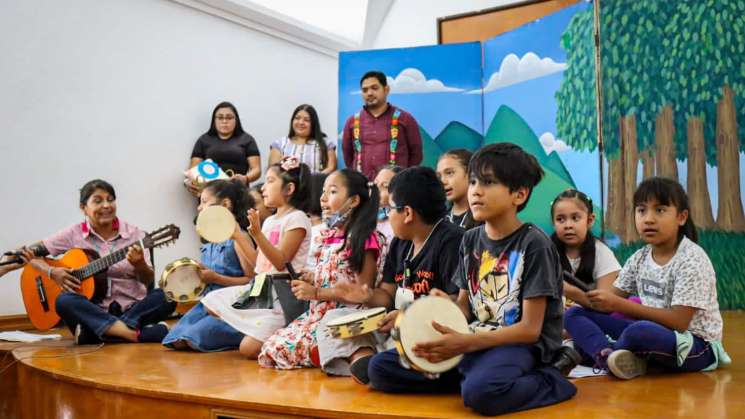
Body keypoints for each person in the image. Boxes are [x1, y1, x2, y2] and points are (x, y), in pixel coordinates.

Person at [366, 143, 577, 416]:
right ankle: (474, 376)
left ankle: (553, 377)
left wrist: (465, 344)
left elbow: (529, 330)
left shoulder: (533, 244)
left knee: (482, 394)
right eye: (474, 181)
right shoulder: (470, 239)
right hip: (475, 338)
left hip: (520, 346)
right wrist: (446, 305)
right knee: (381, 368)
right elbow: (465, 307)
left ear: (519, 194)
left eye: (489, 183)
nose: (476, 190)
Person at [564, 177, 730, 380]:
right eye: (641, 210)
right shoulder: (640, 257)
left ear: (681, 217)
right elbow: (606, 304)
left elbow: (679, 322)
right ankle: (608, 356)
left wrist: (620, 305)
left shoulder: (692, 259)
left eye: (659, 210)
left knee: (639, 331)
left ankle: (598, 352)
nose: (648, 219)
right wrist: (570, 291)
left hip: (695, 346)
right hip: (653, 333)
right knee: (574, 315)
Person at [335, 167, 464, 383]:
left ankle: (372, 362)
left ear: (408, 213)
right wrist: (366, 296)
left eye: (390, 210)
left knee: (381, 365)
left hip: (426, 331)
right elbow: (386, 294)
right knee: (334, 320)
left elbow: (453, 310)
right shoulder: (400, 243)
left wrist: (408, 316)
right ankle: (365, 358)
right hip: (395, 327)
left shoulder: (452, 242)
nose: (387, 215)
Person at [259, 169, 387, 383]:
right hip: (319, 313)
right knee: (273, 348)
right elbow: (333, 272)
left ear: (354, 200)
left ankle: (353, 355)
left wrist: (317, 292)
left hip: (346, 315)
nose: (323, 198)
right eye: (324, 191)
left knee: (293, 345)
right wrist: (312, 277)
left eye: (333, 191)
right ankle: (334, 354)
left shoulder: (364, 238)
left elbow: (361, 293)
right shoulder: (331, 236)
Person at [18, 179, 176, 344]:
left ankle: (100, 333)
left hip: (133, 308)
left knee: (168, 294)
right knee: (64, 300)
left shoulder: (136, 235)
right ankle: (133, 334)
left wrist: (139, 265)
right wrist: (51, 272)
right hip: (93, 310)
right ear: (83, 207)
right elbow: (26, 253)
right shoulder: (73, 233)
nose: (106, 205)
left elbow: (148, 280)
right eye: (98, 201)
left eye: (110, 199)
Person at [200, 157, 312, 358]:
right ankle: (260, 326)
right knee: (210, 303)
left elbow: (280, 261)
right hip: (261, 287)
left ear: (289, 189)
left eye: (270, 181)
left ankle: (286, 329)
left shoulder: (298, 218)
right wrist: (238, 234)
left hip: (282, 292)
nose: (263, 188)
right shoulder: (269, 221)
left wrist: (257, 235)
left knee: (247, 350)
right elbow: (257, 264)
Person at [162, 179, 257, 351]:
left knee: (191, 339)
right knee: (176, 339)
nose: (199, 207)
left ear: (225, 204)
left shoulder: (239, 238)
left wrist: (216, 278)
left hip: (232, 306)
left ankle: (244, 331)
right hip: (208, 303)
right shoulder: (210, 240)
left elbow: (251, 281)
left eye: (204, 202)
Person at [341, 71, 422, 180]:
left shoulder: (405, 119)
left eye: (374, 88)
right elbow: (348, 155)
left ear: (386, 90)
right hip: (363, 187)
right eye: (365, 90)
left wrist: (403, 179)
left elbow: (416, 154)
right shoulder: (352, 122)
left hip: (395, 187)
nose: (369, 93)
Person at [550, 189, 621, 307]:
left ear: (590, 220)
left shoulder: (601, 252)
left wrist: (566, 289)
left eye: (575, 218)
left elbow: (605, 305)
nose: (568, 225)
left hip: (590, 316)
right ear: (553, 222)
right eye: (560, 219)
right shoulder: (544, 251)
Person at [186, 102, 261, 196]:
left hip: (239, 193)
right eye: (220, 117)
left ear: (236, 120)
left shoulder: (247, 140)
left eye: (229, 117)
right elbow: (193, 169)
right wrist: (191, 183)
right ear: (214, 120)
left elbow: (257, 169)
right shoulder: (203, 140)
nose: (224, 121)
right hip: (211, 195)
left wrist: (246, 178)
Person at [268, 104, 337, 174]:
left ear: (313, 124)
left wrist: (312, 180)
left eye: (306, 120)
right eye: (297, 118)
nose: (301, 122)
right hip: (287, 184)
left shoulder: (325, 143)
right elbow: (273, 172)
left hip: (317, 183)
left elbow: (331, 168)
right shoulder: (279, 144)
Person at [436, 149, 480, 230]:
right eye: (439, 177)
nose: (443, 181)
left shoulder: (486, 218)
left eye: (449, 173)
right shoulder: (437, 222)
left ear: (470, 174)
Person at [373, 165, 402, 243]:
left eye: (385, 186)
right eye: (375, 184)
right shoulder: (362, 217)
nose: (376, 189)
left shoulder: (399, 227)